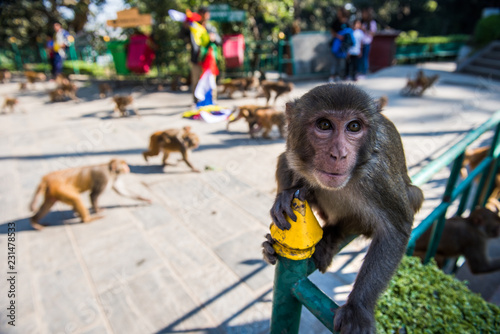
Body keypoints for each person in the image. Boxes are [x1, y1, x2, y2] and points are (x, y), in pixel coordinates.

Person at [182, 6, 221, 106]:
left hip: (209, 59)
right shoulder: (193, 27)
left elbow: (219, 41)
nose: (204, 16)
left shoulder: (211, 28)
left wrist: (214, 38)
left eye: (205, 13)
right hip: (196, 58)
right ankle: (196, 100)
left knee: (211, 80)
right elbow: (181, 36)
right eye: (202, 13)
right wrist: (185, 27)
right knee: (196, 80)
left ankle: (212, 100)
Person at [329, 7, 350, 82]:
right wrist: (338, 36)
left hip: (343, 45)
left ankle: (338, 75)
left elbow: (349, 33)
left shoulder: (347, 22)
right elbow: (332, 31)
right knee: (334, 61)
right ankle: (332, 76)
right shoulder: (336, 21)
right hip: (335, 44)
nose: (338, 14)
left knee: (341, 61)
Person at [359, 7, 377, 76]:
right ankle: (359, 71)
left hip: (367, 42)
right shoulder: (361, 22)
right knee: (359, 58)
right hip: (360, 43)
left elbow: (373, 33)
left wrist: (365, 30)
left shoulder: (372, 23)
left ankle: (364, 72)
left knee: (364, 58)